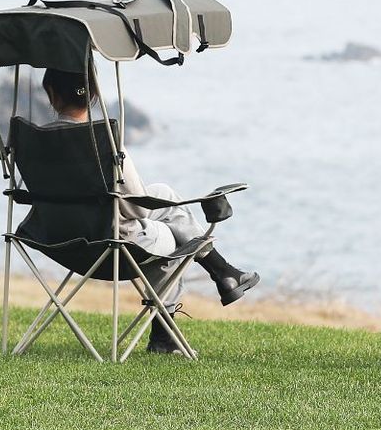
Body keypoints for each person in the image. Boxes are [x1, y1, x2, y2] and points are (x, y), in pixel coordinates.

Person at [40, 65, 260, 356]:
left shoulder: (36, 140)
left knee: (165, 194)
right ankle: (170, 328)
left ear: (52, 95)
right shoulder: (103, 139)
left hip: (58, 239)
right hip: (111, 244)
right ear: (93, 95)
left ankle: (223, 274)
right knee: (171, 237)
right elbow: (135, 206)